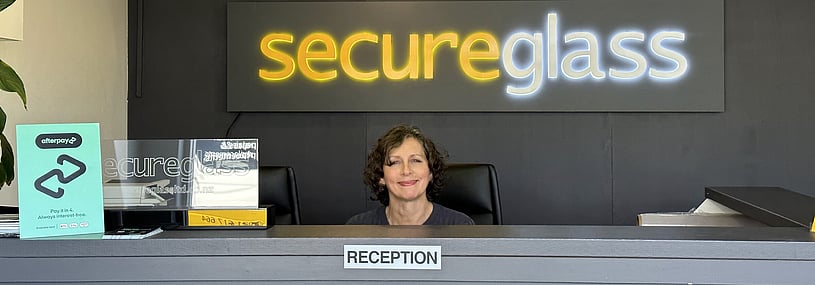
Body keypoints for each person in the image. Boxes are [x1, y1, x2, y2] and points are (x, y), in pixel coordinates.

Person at [346, 124, 474, 225]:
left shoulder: (460, 226)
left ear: (431, 172)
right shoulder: (358, 228)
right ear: (381, 176)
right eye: (395, 162)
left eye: (415, 161)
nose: (406, 171)